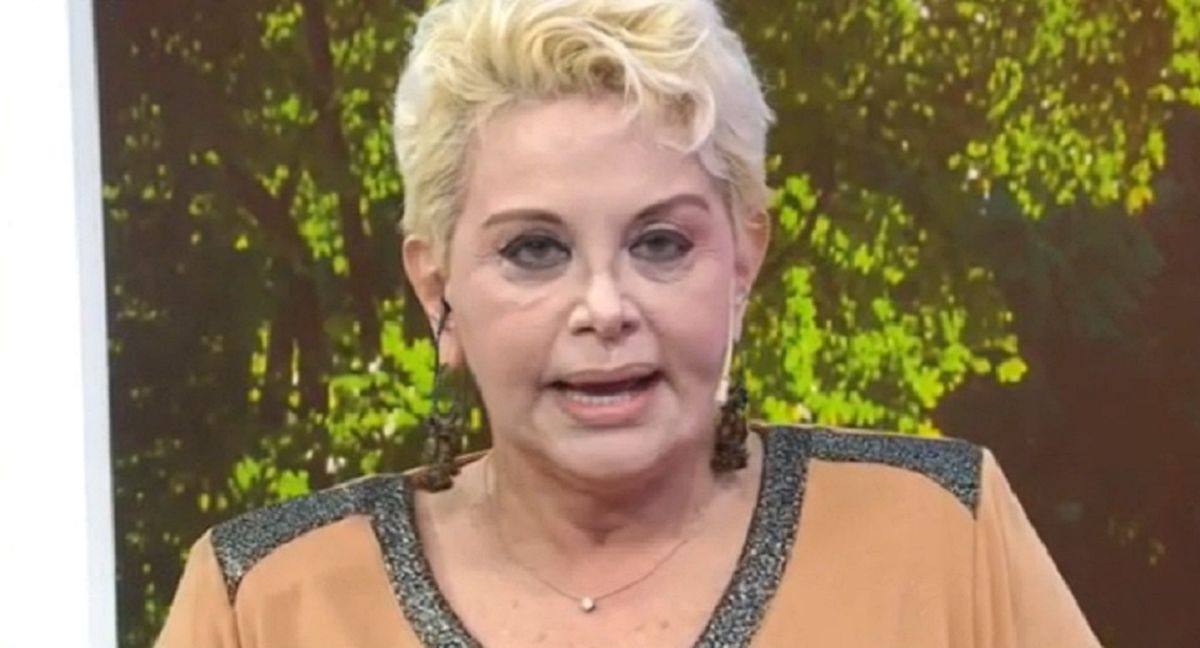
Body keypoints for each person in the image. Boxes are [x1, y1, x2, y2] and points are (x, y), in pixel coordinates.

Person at [156, 0, 1101, 645]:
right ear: (437, 288)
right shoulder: (263, 599)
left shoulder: (943, 531)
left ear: (743, 260)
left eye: (660, 243)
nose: (605, 308)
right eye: (535, 249)